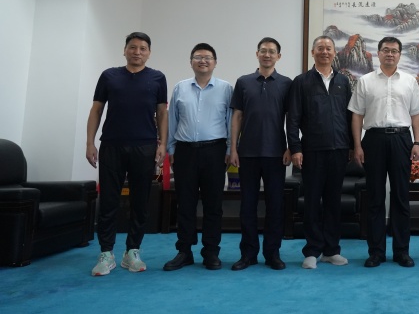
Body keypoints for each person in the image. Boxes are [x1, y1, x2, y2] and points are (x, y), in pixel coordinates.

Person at [86, 32, 167, 276]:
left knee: (140, 201)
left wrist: (162, 144)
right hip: (112, 145)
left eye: (143, 48)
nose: (137, 52)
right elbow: (96, 110)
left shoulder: (157, 78)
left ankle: (132, 251)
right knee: (109, 200)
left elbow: (162, 113)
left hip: (145, 146)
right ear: (124, 50)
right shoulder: (109, 76)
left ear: (149, 53)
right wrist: (90, 143)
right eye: (132, 47)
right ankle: (106, 253)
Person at [349, 37, 419, 268]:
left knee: (401, 197)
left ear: (399, 55)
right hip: (373, 139)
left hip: (402, 139)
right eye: (386, 50)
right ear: (378, 53)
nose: (390, 54)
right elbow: (357, 115)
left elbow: (416, 114)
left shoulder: (409, 81)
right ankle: (376, 252)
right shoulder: (365, 81)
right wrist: (357, 146)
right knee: (375, 197)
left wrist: (417, 142)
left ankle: (402, 251)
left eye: (394, 51)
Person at [163, 43, 233, 271]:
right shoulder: (180, 88)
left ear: (215, 62)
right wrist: (171, 149)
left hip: (215, 151)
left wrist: (230, 150)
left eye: (208, 57)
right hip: (185, 151)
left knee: (214, 204)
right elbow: (172, 120)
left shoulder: (226, 88)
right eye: (198, 57)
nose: (203, 61)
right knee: (185, 202)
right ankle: (184, 251)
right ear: (191, 61)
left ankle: (211, 251)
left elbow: (231, 122)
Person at [287, 36, 353, 269]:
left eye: (328, 48)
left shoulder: (343, 81)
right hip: (312, 151)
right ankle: (312, 251)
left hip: (339, 150)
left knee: (333, 202)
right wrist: (295, 148)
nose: (324, 52)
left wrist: (352, 146)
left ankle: (331, 250)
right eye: (320, 48)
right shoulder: (301, 81)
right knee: (313, 202)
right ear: (313, 52)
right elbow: (293, 118)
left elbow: (349, 117)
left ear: (335, 53)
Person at [229, 37, 293, 271]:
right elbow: (237, 116)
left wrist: (291, 146)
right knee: (247, 205)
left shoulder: (286, 83)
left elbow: (292, 118)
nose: (267, 55)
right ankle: (248, 254)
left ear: (278, 56)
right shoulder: (243, 82)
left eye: (272, 51)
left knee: (275, 205)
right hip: (247, 153)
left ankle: (272, 253)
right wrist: (233, 148)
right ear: (257, 54)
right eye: (263, 51)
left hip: (276, 153)